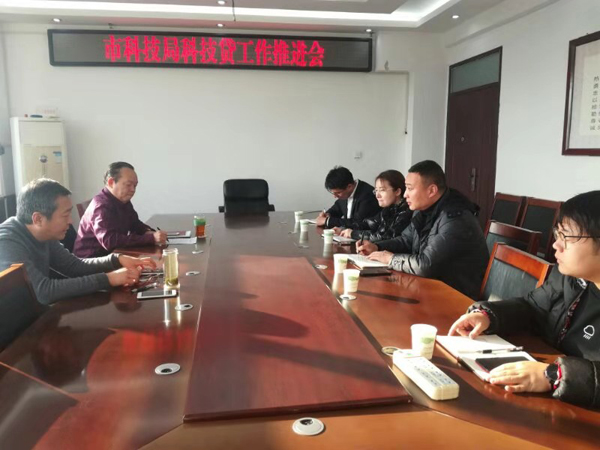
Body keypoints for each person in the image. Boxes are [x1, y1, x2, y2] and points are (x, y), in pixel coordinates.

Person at [448, 191, 600, 408]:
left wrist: (555, 375)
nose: (556, 245)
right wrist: (488, 316)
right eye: (558, 234)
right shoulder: (571, 278)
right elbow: (533, 307)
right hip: (551, 401)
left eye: (567, 237)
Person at [0, 178, 155, 305]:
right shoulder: (6, 242)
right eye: (65, 215)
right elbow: (43, 292)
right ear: (38, 219)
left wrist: (117, 260)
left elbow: (74, 266)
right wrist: (109, 279)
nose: (71, 221)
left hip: (34, 316)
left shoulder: (44, 234)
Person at [357, 160, 488, 299]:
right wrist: (376, 247)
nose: (405, 194)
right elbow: (406, 240)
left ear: (432, 190)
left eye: (410, 188)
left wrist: (391, 258)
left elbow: (426, 265)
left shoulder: (456, 218)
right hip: (431, 285)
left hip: (457, 296)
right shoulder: (422, 210)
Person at [74, 162, 167, 257]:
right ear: (111, 182)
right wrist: (150, 238)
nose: (133, 190)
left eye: (135, 186)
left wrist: (148, 232)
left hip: (113, 255)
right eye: (128, 185)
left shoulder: (122, 200)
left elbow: (135, 224)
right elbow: (110, 241)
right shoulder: (101, 206)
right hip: (92, 260)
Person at [333, 170, 412, 242]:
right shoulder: (389, 209)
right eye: (376, 190)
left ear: (397, 191)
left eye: (382, 190)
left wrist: (353, 233)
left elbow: (383, 237)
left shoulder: (405, 212)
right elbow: (368, 223)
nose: (377, 195)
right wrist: (343, 229)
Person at [315, 166, 380, 228]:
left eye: (338, 193)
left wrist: (327, 221)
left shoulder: (367, 196)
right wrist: (328, 214)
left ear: (349, 187)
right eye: (333, 193)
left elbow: (357, 223)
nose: (335, 196)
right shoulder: (345, 193)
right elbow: (337, 208)